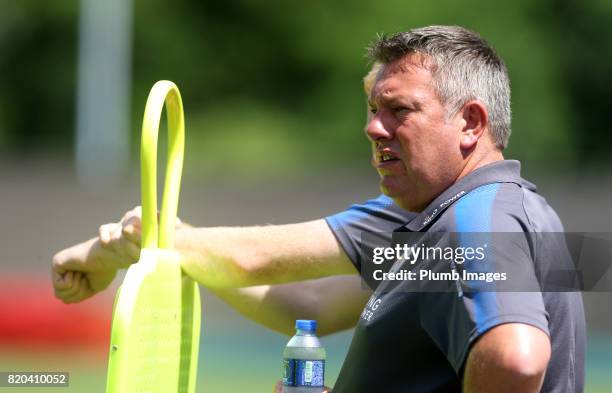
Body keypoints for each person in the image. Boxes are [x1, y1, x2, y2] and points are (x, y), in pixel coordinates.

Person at [53, 25, 585, 393]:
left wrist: (114, 247)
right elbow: (301, 295)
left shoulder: (479, 217)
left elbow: (515, 360)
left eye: (398, 110)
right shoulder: (423, 218)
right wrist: (122, 246)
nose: (373, 127)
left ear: (471, 122)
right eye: (372, 109)